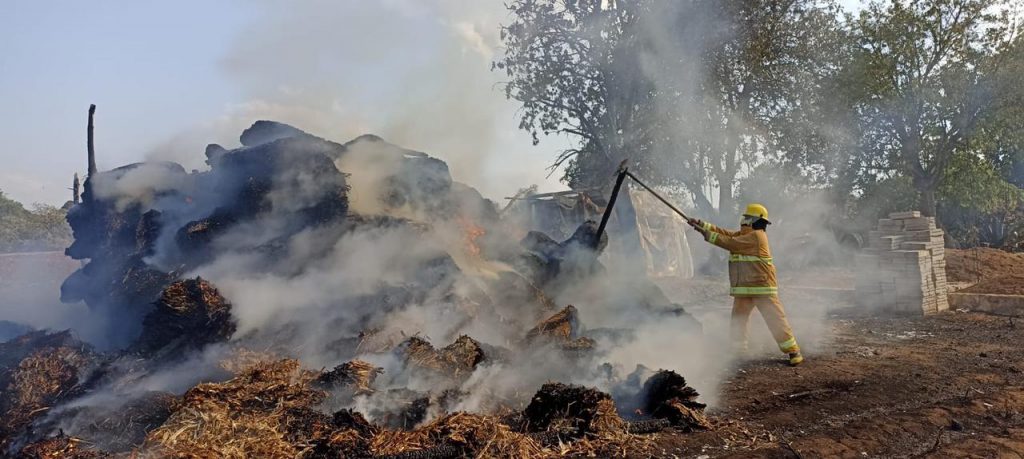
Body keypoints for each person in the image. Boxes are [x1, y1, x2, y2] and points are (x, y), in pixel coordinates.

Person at [688, 204, 804, 366]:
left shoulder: (757, 236)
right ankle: (738, 351)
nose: (745, 221)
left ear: (751, 220)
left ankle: (793, 351)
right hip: (745, 288)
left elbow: (729, 242)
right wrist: (702, 224)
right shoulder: (746, 235)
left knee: (776, 319)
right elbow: (727, 234)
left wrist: (705, 234)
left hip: (762, 288)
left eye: (747, 218)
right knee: (738, 320)